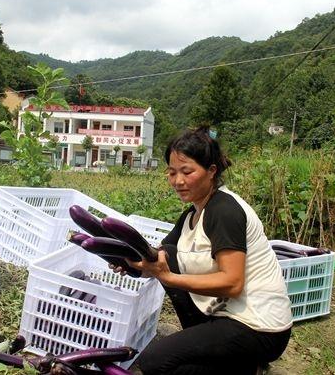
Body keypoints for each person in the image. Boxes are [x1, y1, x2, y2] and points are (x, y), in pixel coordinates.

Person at [116, 127, 292, 375]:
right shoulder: (192, 213)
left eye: (187, 171)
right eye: (172, 172)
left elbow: (232, 283)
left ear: (211, 172)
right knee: (169, 253)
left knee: (155, 362)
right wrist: (129, 263)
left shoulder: (224, 211)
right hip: (227, 315)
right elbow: (159, 259)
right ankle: (231, 360)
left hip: (259, 328)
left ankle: (246, 366)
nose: (178, 181)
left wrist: (169, 277)